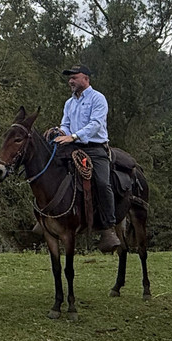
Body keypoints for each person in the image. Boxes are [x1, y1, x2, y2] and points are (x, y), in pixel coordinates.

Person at [50, 64, 121, 253]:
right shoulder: (69, 103)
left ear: (86, 79)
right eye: (70, 78)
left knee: (102, 183)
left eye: (74, 77)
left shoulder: (98, 98)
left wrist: (74, 136)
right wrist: (61, 132)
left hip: (95, 149)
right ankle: (49, 216)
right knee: (52, 170)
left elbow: (96, 124)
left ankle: (108, 227)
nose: (70, 81)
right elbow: (66, 123)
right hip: (72, 146)